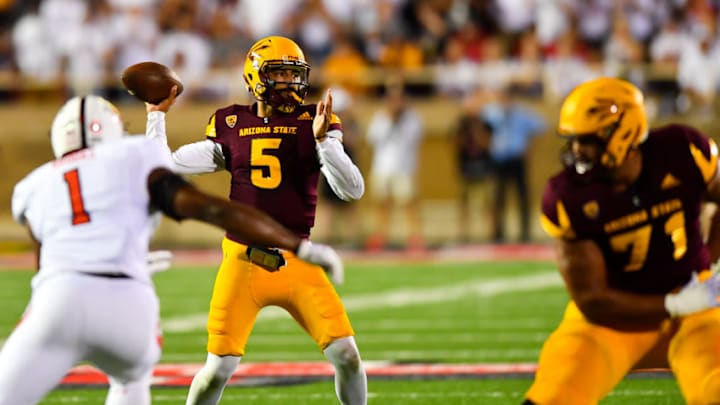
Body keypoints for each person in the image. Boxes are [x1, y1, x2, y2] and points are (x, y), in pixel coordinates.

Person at [1, 93, 345, 405]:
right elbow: (212, 209)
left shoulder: (33, 185)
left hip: (57, 298)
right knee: (129, 381)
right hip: (127, 302)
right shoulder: (132, 155)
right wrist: (295, 245)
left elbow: (46, 255)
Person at [144, 36, 367, 405]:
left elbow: (352, 190)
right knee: (217, 369)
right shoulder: (230, 122)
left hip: (299, 259)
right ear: (256, 76)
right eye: (279, 72)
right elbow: (163, 164)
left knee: (347, 355)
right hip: (243, 260)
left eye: (293, 73)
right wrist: (156, 115)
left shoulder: (314, 119)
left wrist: (324, 141)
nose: (289, 82)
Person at [523, 77, 720, 405]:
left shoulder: (683, 151)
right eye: (574, 141)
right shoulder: (568, 196)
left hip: (694, 307)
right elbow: (593, 300)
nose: (576, 151)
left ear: (622, 134)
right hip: (616, 318)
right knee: (556, 395)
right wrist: (674, 304)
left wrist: (710, 264)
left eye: (587, 141)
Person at [364, 80, 425, 252]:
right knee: (381, 204)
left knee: (409, 204)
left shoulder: (412, 120)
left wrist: (397, 120)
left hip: (404, 168)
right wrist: (390, 120)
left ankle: (415, 237)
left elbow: (411, 141)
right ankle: (381, 236)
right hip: (382, 168)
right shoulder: (381, 118)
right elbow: (372, 139)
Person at [482, 87, 545, 243]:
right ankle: (498, 233)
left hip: (517, 159)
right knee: (498, 198)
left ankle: (525, 233)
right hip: (499, 159)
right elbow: (482, 131)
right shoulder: (491, 113)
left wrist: (529, 149)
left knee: (522, 196)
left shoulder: (522, 113)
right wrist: (488, 146)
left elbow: (541, 127)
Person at [454, 112, 493, 243]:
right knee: (464, 205)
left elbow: (485, 144)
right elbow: (456, 144)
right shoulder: (462, 126)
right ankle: (463, 235)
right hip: (466, 170)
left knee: (485, 205)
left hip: (482, 169)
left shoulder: (486, 126)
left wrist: (477, 130)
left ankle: (489, 235)